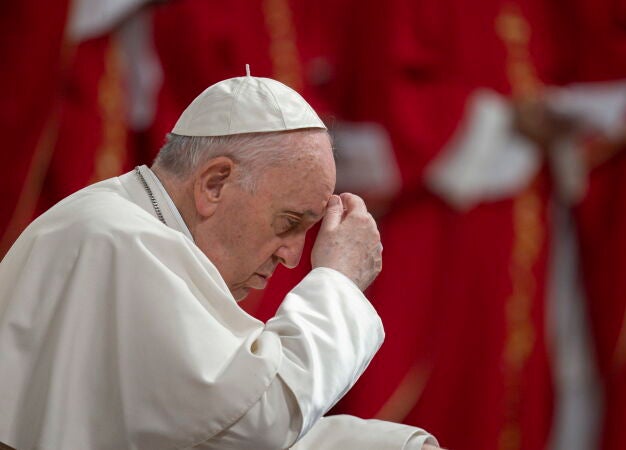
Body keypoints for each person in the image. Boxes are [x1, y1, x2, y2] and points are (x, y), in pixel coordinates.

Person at [0, 75, 441, 450]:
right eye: (288, 222)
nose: (291, 257)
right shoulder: (119, 240)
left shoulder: (143, 233)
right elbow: (256, 421)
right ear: (214, 183)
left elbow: (210, 430)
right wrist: (338, 281)